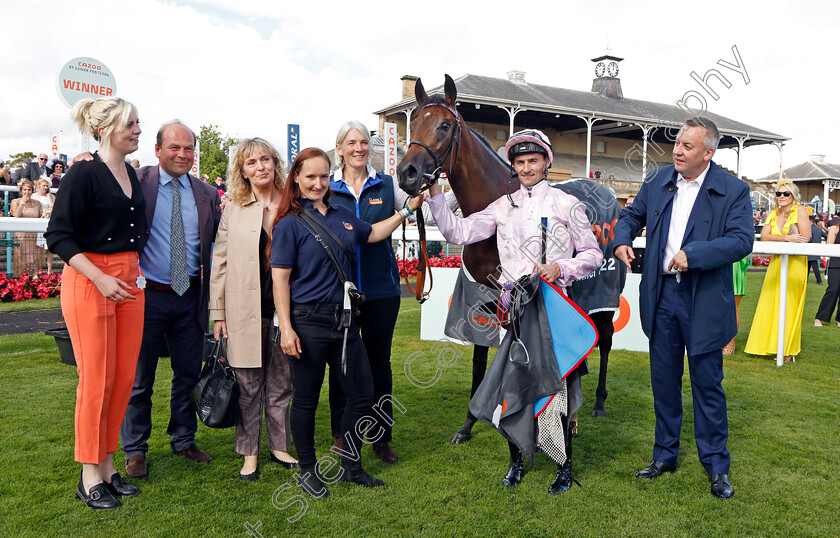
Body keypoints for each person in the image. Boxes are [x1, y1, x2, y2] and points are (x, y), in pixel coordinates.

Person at [425, 129, 603, 494]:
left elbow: (593, 253)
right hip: (514, 309)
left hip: (553, 306)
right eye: (520, 162)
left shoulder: (567, 204)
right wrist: (434, 195)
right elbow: (458, 231)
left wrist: (562, 268)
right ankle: (516, 460)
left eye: (533, 161)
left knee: (557, 389)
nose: (526, 168)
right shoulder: (502, 206)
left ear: (546, 163)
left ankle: (563, 465)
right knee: (514, 385)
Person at [613, 116, 753, 500]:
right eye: (677, 143)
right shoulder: (657, 180)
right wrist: (621, 240)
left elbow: (742, 241)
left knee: (707, 386)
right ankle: (664, 455)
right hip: (662, 298)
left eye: (687, 146)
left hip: (705, 301)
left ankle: (717, 467)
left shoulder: (734, 190)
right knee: (664, 382)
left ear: (708, 153)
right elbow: (629, 216)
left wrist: (695, 254)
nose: (677, 150)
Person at [270, 147, 423, 498]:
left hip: (344, 323)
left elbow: (372, 234)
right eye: (310, 176)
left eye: (324, 176)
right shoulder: (289, 223)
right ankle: (308, 471)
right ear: (296, 178)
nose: (318, 183)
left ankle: (350, 464)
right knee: (306, 400)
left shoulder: (342, 215)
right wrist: (286, 327)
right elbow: (280, 280)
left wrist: (404, 211)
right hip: (306, 322)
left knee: (362, 394)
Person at [327, 120, 457, 464]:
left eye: (364, 142)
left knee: (379, 366)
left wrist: (437, 185)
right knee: (341, 366)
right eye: (351, 143)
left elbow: (428, 209)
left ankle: (381, 437)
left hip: (381, 291)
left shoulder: (387, 185)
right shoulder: (326, 188)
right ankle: (342, 434)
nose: (359, 148)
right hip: (336, 293)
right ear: (339, 148)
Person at [44, 96, 146, 510]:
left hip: (129, 281)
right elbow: (59, 236)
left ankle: (107, 467)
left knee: (122, 379)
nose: (138, 130)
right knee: (96, 381)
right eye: (131, 125)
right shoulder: (83, 173)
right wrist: (101, 278)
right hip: (91, 280)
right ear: (106, 129)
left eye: (138, 123)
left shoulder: (131, 173)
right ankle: (89, 475)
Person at [120, 120, 222, 478]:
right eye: (175, 148)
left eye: (188, 148)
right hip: (146, 298)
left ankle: (183, 439)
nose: (183, 154)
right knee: (139, 378)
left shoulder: (208, 194)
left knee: (188, 374)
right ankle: (135, 449)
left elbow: (219, 245)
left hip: (191, 296)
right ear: (158, 149)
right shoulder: (135, 182)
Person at [209, 138, 298, 481]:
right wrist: (218, 312)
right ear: (242, 172)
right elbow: (220, 261)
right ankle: (249, 453)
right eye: (251, 163)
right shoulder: (233, 207)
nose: (260, 166)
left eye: (265, 159)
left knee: (280, 383)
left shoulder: (293, 204)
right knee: (247, 385)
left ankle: (279, 446)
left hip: (284, 311)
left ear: (275, 163)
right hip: (243, 311)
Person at [744, 181, 810, 362]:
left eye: (786, 194)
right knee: (770, 302)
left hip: (795, 264)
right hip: (777, 262)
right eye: (779, 193)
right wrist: (787, 237)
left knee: (789, 305)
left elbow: (805, 238)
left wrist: (780, 240)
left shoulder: (801, 211)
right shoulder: (773, 213)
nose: (781, 196)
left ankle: (787, 350)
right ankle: (769, 346)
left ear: (793, 196)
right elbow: (764, 236)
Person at [9, 179, 43, 275]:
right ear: (21, 191)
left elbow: (40, 216)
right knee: (21, 258)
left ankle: (34, 279)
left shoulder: (37, 203)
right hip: (22, 236)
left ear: (32, 191)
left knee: (34, 258)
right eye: (25, 190)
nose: (27, 192)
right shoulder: (15, 201)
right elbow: (16, 214)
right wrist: (22, 203)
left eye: (29, 190)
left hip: (34, 236)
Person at [815, 214, 840, 326]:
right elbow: (829, 246)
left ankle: (839, 319)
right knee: (833, 290)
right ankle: (820, 317)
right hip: (835, 263)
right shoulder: (835, 228)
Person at [723, 255, 750, 355]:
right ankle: (719, 340)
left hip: (736, 262)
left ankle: (730, 343)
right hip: (719, 260)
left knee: (733, 307)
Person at [32, 178, 56, 272]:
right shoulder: (34, 196)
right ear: (38, 186)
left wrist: (49, 197)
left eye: (47, 186)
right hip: (39, 222)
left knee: (49, 248)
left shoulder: (52, 196)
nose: (45, 187)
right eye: (44, 185)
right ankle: (36, 271)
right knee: (38, 248)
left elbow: (54, 208)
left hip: (49, 223)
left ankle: (49, 271)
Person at [807, 214, 827, 284]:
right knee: (811, 265)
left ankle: (819, 281)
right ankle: (817, 280)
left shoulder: (808, 229)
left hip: (808, 250)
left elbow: (809, 239)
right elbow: (826, 236)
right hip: (816, 250)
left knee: (811, 266)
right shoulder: (819, 229)